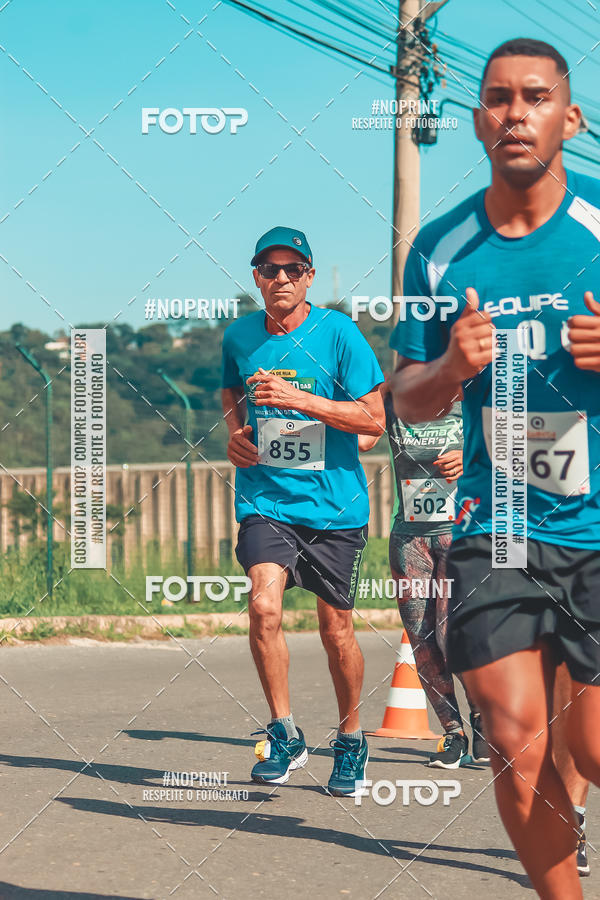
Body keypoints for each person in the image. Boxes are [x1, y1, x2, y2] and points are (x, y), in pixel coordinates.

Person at [390, 37, 600, 897]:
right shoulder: (440, 251)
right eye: (500, 98)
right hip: (496, 517)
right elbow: (402, 394)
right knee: (516, 740)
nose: (517, 113)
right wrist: (449, 369)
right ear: (479, 119)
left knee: (588, 748)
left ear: (569, 117)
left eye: (536, 97)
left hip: (596, 527)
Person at [221, 226, 385, 796]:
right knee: (263, 606)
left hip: (335, 506)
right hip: (267, 500)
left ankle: (350, 738)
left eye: (294, 269)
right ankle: (285, 730)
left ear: (310, 275)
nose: (282, 279)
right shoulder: (239, 336)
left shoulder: (339, 333)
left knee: (336, 631)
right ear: (257, 277)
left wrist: (300, 401)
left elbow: (373, 420)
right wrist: (234, 437)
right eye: (270, 270)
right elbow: (231, 396)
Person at [361, 391, 490, 768]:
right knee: (421, 635)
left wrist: (472, 459)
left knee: (453, 632)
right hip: (410, 535)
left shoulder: (475, 394)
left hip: (464, 530)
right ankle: (453, 732)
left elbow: (519, 446)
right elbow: (364, 434)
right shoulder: (392, 395)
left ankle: (482, 716)